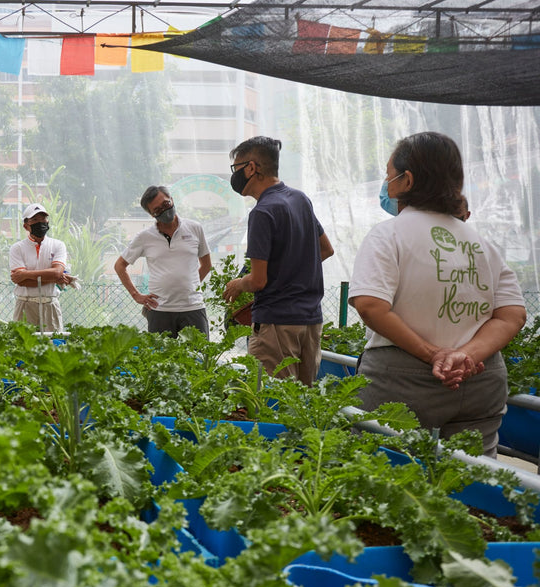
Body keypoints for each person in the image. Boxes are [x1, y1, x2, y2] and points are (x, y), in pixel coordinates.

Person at [350, 132, 526, 457]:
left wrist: (435, 355)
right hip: (480, 379)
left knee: (381, 479)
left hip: (401, 380)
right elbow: (512, 314)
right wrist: (467, 355)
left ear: (407, 181)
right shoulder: (482, 244)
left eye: (389, 176)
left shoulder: (387, 235)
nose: (385, 184)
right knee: (470, 484)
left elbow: (370, 305)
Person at [223, 136, 334, 386]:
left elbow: (259, 280)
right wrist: (294, 270)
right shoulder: (300, 199)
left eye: (236, 168)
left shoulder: (263, 212)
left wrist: (239, 284)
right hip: (310, 321)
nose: (235, 176)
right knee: (302, 402)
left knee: (273, 403)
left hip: (277, 324)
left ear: (252, 168)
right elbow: (326, 250)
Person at [114, 186, 212, 337]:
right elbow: (120, 265)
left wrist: (189, 286)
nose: (164, 211)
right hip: (159, 311)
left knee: (199, 357)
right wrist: (136, 295)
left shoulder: (195, 228)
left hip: (193, 308)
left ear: (171, 199)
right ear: (152, 215)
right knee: (159, 358)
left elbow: (206, 265)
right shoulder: (145, 237)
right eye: (157, 210)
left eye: (166, 204)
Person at [9, 203, 71, 332]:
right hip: (25, 304)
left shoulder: (57, 245)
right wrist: (53, 278)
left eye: (43, 219)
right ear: (26, 226)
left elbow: (57, 272)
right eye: (35, 220)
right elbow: (21, 282)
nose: (41, 222)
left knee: (53, 347)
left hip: (50, 304)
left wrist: (25, 274)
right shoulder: (17, 248)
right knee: (22, 347)